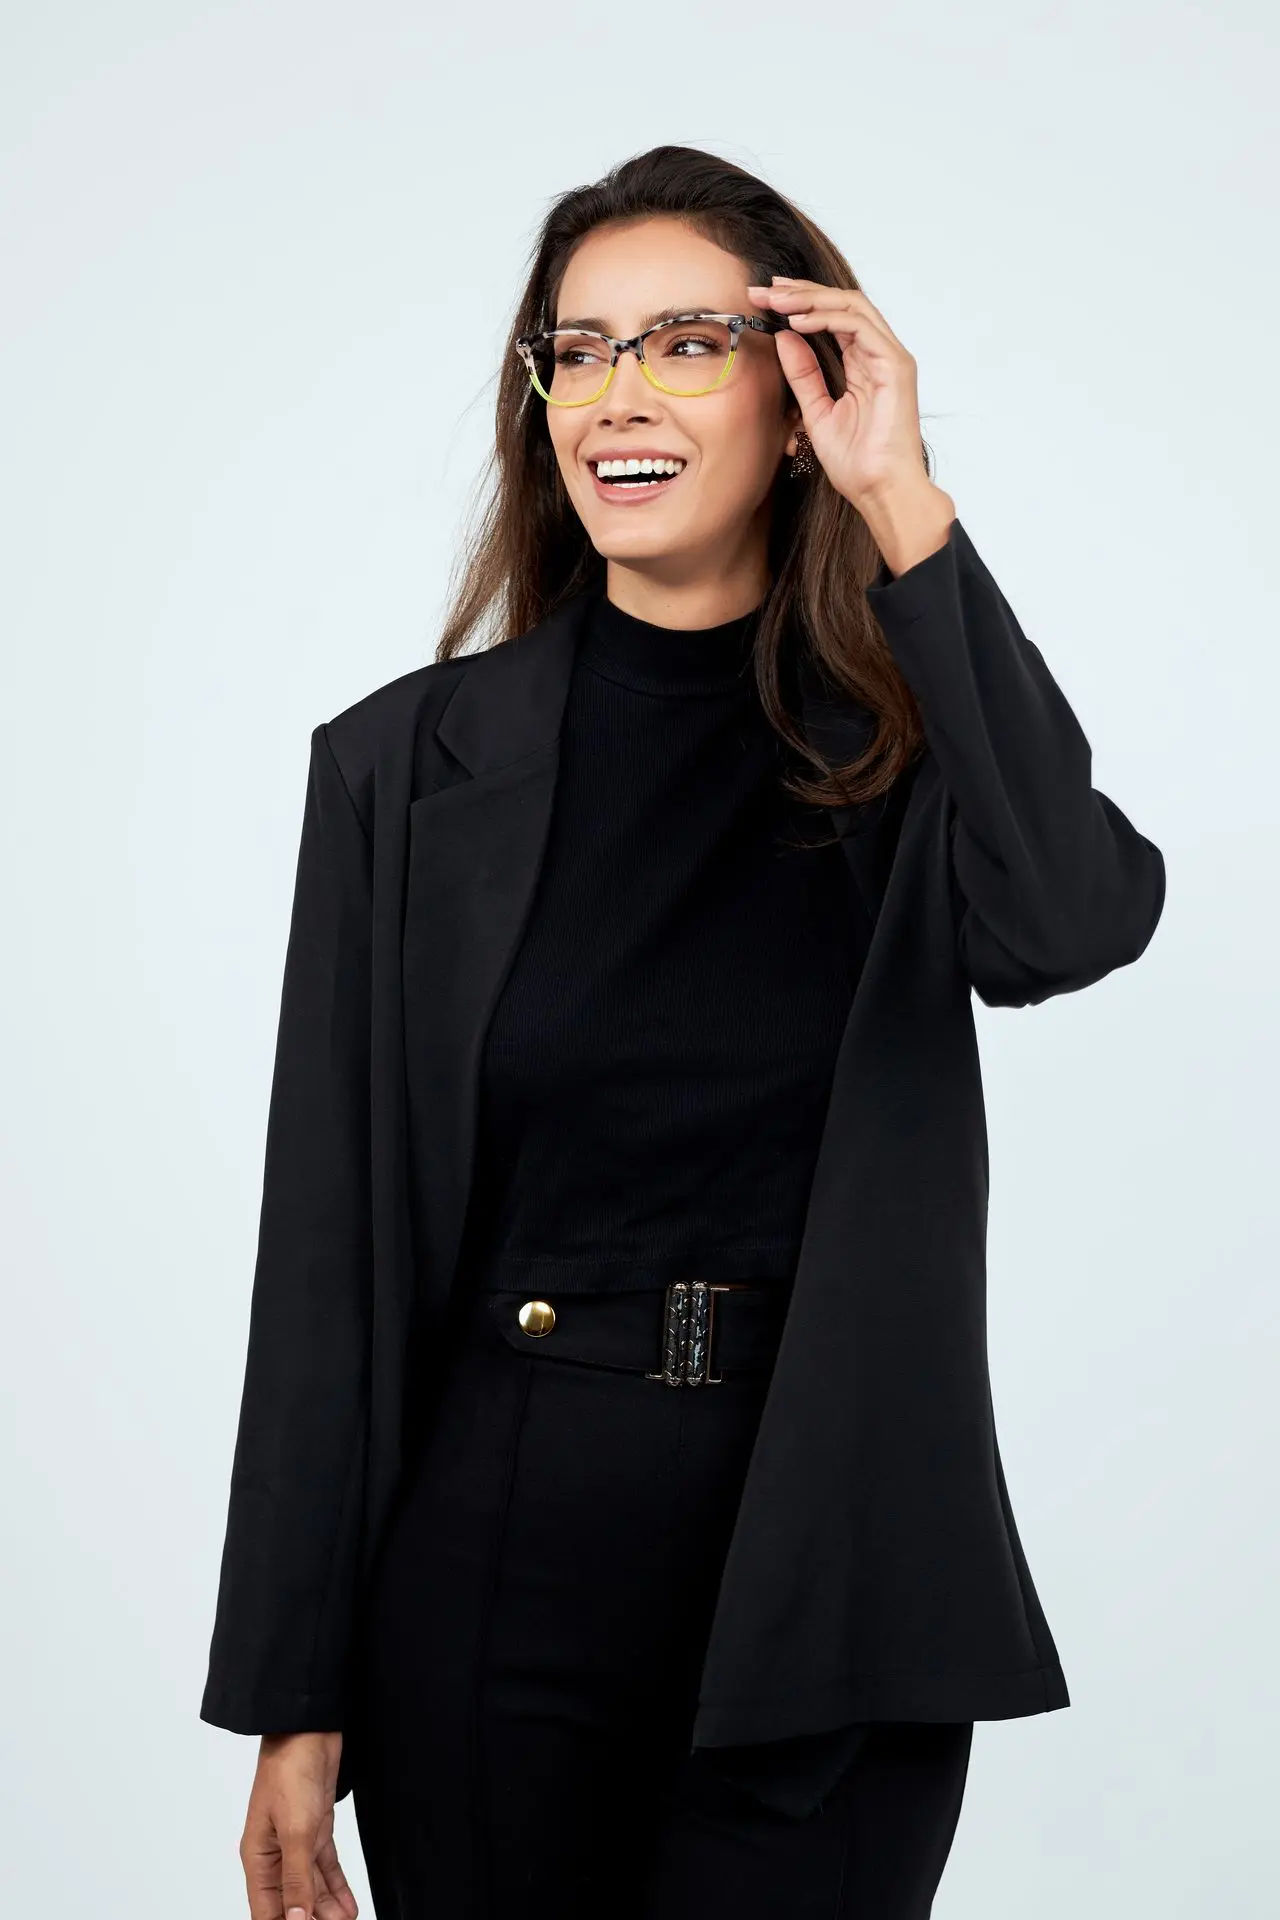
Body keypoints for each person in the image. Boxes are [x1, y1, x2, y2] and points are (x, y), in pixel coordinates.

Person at [200, 144, 1167, 1919]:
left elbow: (1074, 919)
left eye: (685, 344)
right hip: (499, 1562)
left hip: (836, 1553)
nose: (617, 397)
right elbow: (326, 1265)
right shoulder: (402, 769)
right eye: (578, 352)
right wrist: (291, 1695)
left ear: (800, 400)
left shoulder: (907, 753)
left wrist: (905, 500)